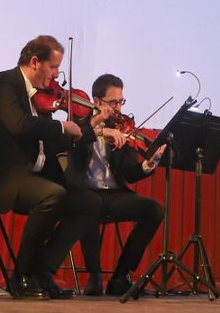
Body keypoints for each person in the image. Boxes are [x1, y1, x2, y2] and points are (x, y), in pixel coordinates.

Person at [0, 34, 99, 299]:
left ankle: (42, 271)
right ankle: (22, 276)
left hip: (30, 176)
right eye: (53, 67)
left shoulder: (35, 96)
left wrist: (88, 129)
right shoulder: (4, 84)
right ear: (35, 62)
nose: (57, 74)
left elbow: (49, 139)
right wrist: (63, 126)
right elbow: (21, 126)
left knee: (90, 205)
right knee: (53, 195)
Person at [63, 73, 168, 296]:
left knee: (154, 210)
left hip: (114, 195)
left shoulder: (122, 126)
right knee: (88, 203)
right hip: (84, 193)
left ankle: (120, 277)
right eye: (113, 102)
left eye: (121, 101)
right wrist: (99, 128)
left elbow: (130, 173)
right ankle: (95, 275)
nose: (119, 108)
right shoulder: (80, 122)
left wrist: (148, 165)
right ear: (97, 101)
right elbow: (75, 144)